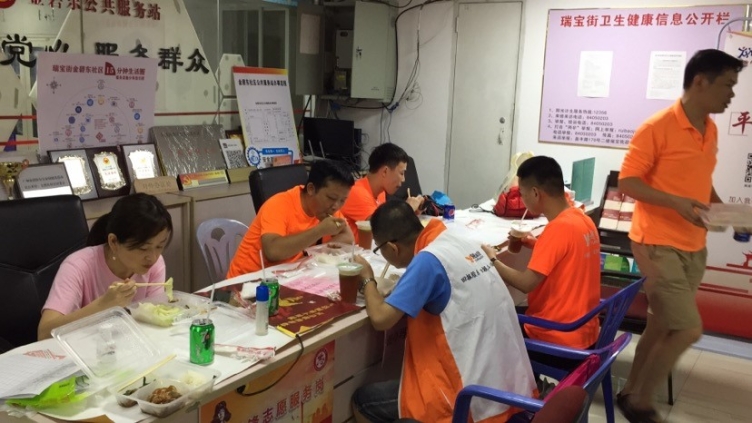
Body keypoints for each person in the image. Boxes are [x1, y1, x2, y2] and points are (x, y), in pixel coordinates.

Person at [616, 49, 743, 423]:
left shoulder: (709, 128)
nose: (732, 95)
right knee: (687, 329)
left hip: (693, 245)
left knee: (660, 326)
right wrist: (674, 202)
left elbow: (701, 183)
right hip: (656, 243)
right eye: (727, 85)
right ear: (700, 81)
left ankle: (629, 393)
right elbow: (628, 182)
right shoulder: (656, 127)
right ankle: (642, 404)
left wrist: (727, 213)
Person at [351, 201, 536, 423]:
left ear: (392, 248)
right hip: (508, 386)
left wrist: (367, 279)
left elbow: (381, 318)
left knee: (363, 401)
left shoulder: (427, 262)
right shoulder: (456, 238)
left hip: (469, 401)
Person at [483, 156, 601, 351]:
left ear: (536, 193)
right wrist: (535, 243)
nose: (522, 200)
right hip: (585, 331)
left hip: (558, 337)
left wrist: (492, 259)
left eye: (523, 194)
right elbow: (567, 254)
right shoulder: (583, 219)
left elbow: (526, 283)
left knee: (491, 323)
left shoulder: (557, 229)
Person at [38, 193, 172, 340]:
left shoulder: (154, 264)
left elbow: (155, 321)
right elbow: (44, 334)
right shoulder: (78, 266)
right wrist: (103, 305)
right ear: (113, 242)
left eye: (160, 246)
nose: (153, 257)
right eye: (143, 248)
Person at [227, 159, 355, 278]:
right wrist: (319, 231)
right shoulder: (278, 204)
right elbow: (272, 251)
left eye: (342, 200)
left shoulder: (328, 208)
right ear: (311, 189)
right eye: (331, 198)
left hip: (289, 275)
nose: (336, 206)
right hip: (248, 280)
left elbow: (348, 237)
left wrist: (319, 252)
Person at [340, 143, 424, 243]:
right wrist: (407, 208)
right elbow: (382, 229)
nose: (403, 179)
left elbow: (389, 222)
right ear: (385, 171)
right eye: (401, 173)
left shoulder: (381, 193)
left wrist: (412, 213)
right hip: (350, 250)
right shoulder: (357, 192)